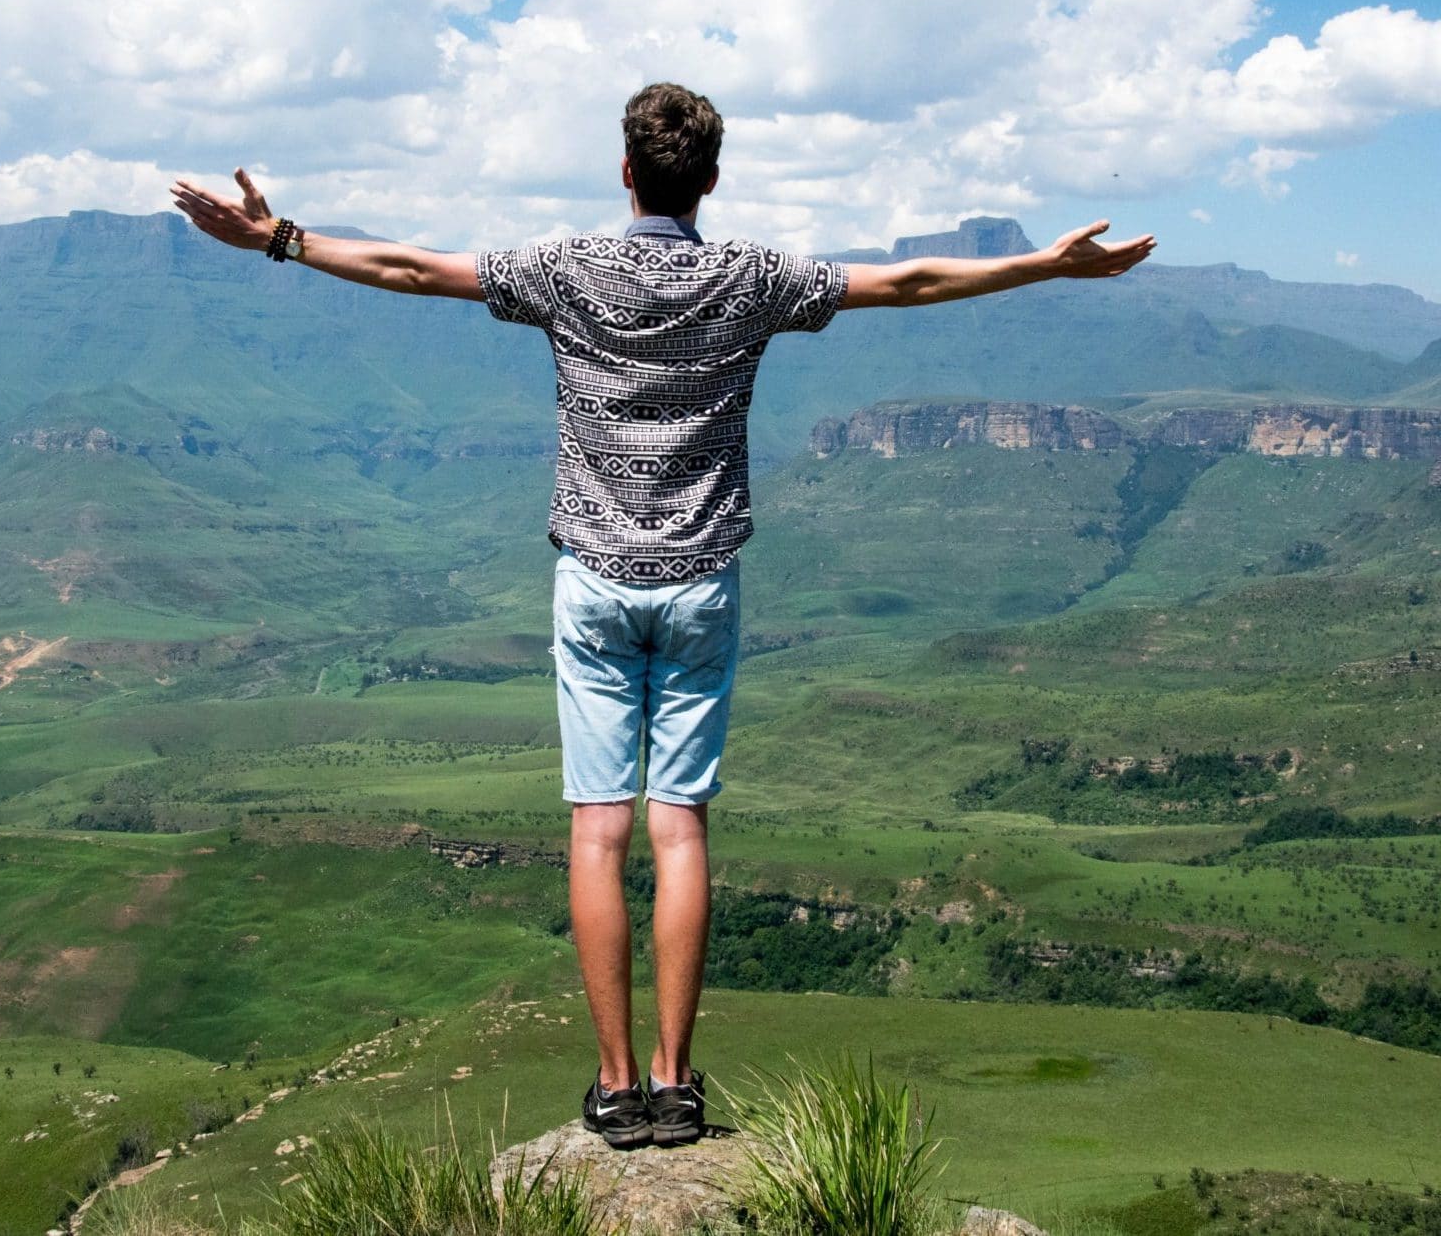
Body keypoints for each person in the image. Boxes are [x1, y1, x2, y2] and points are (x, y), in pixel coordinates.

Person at [170, 82, 1156, 1149]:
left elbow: (412, 269)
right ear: (712, 181)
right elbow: (909, 281)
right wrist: (1049, 265)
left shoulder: (566, 270)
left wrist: (279, 238)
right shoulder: (752, 278)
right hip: (701, 585)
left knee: (598, 829)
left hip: (592, 582)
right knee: (677, 824)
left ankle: (614, 1084)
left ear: (626, 172)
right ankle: (680, 1086)